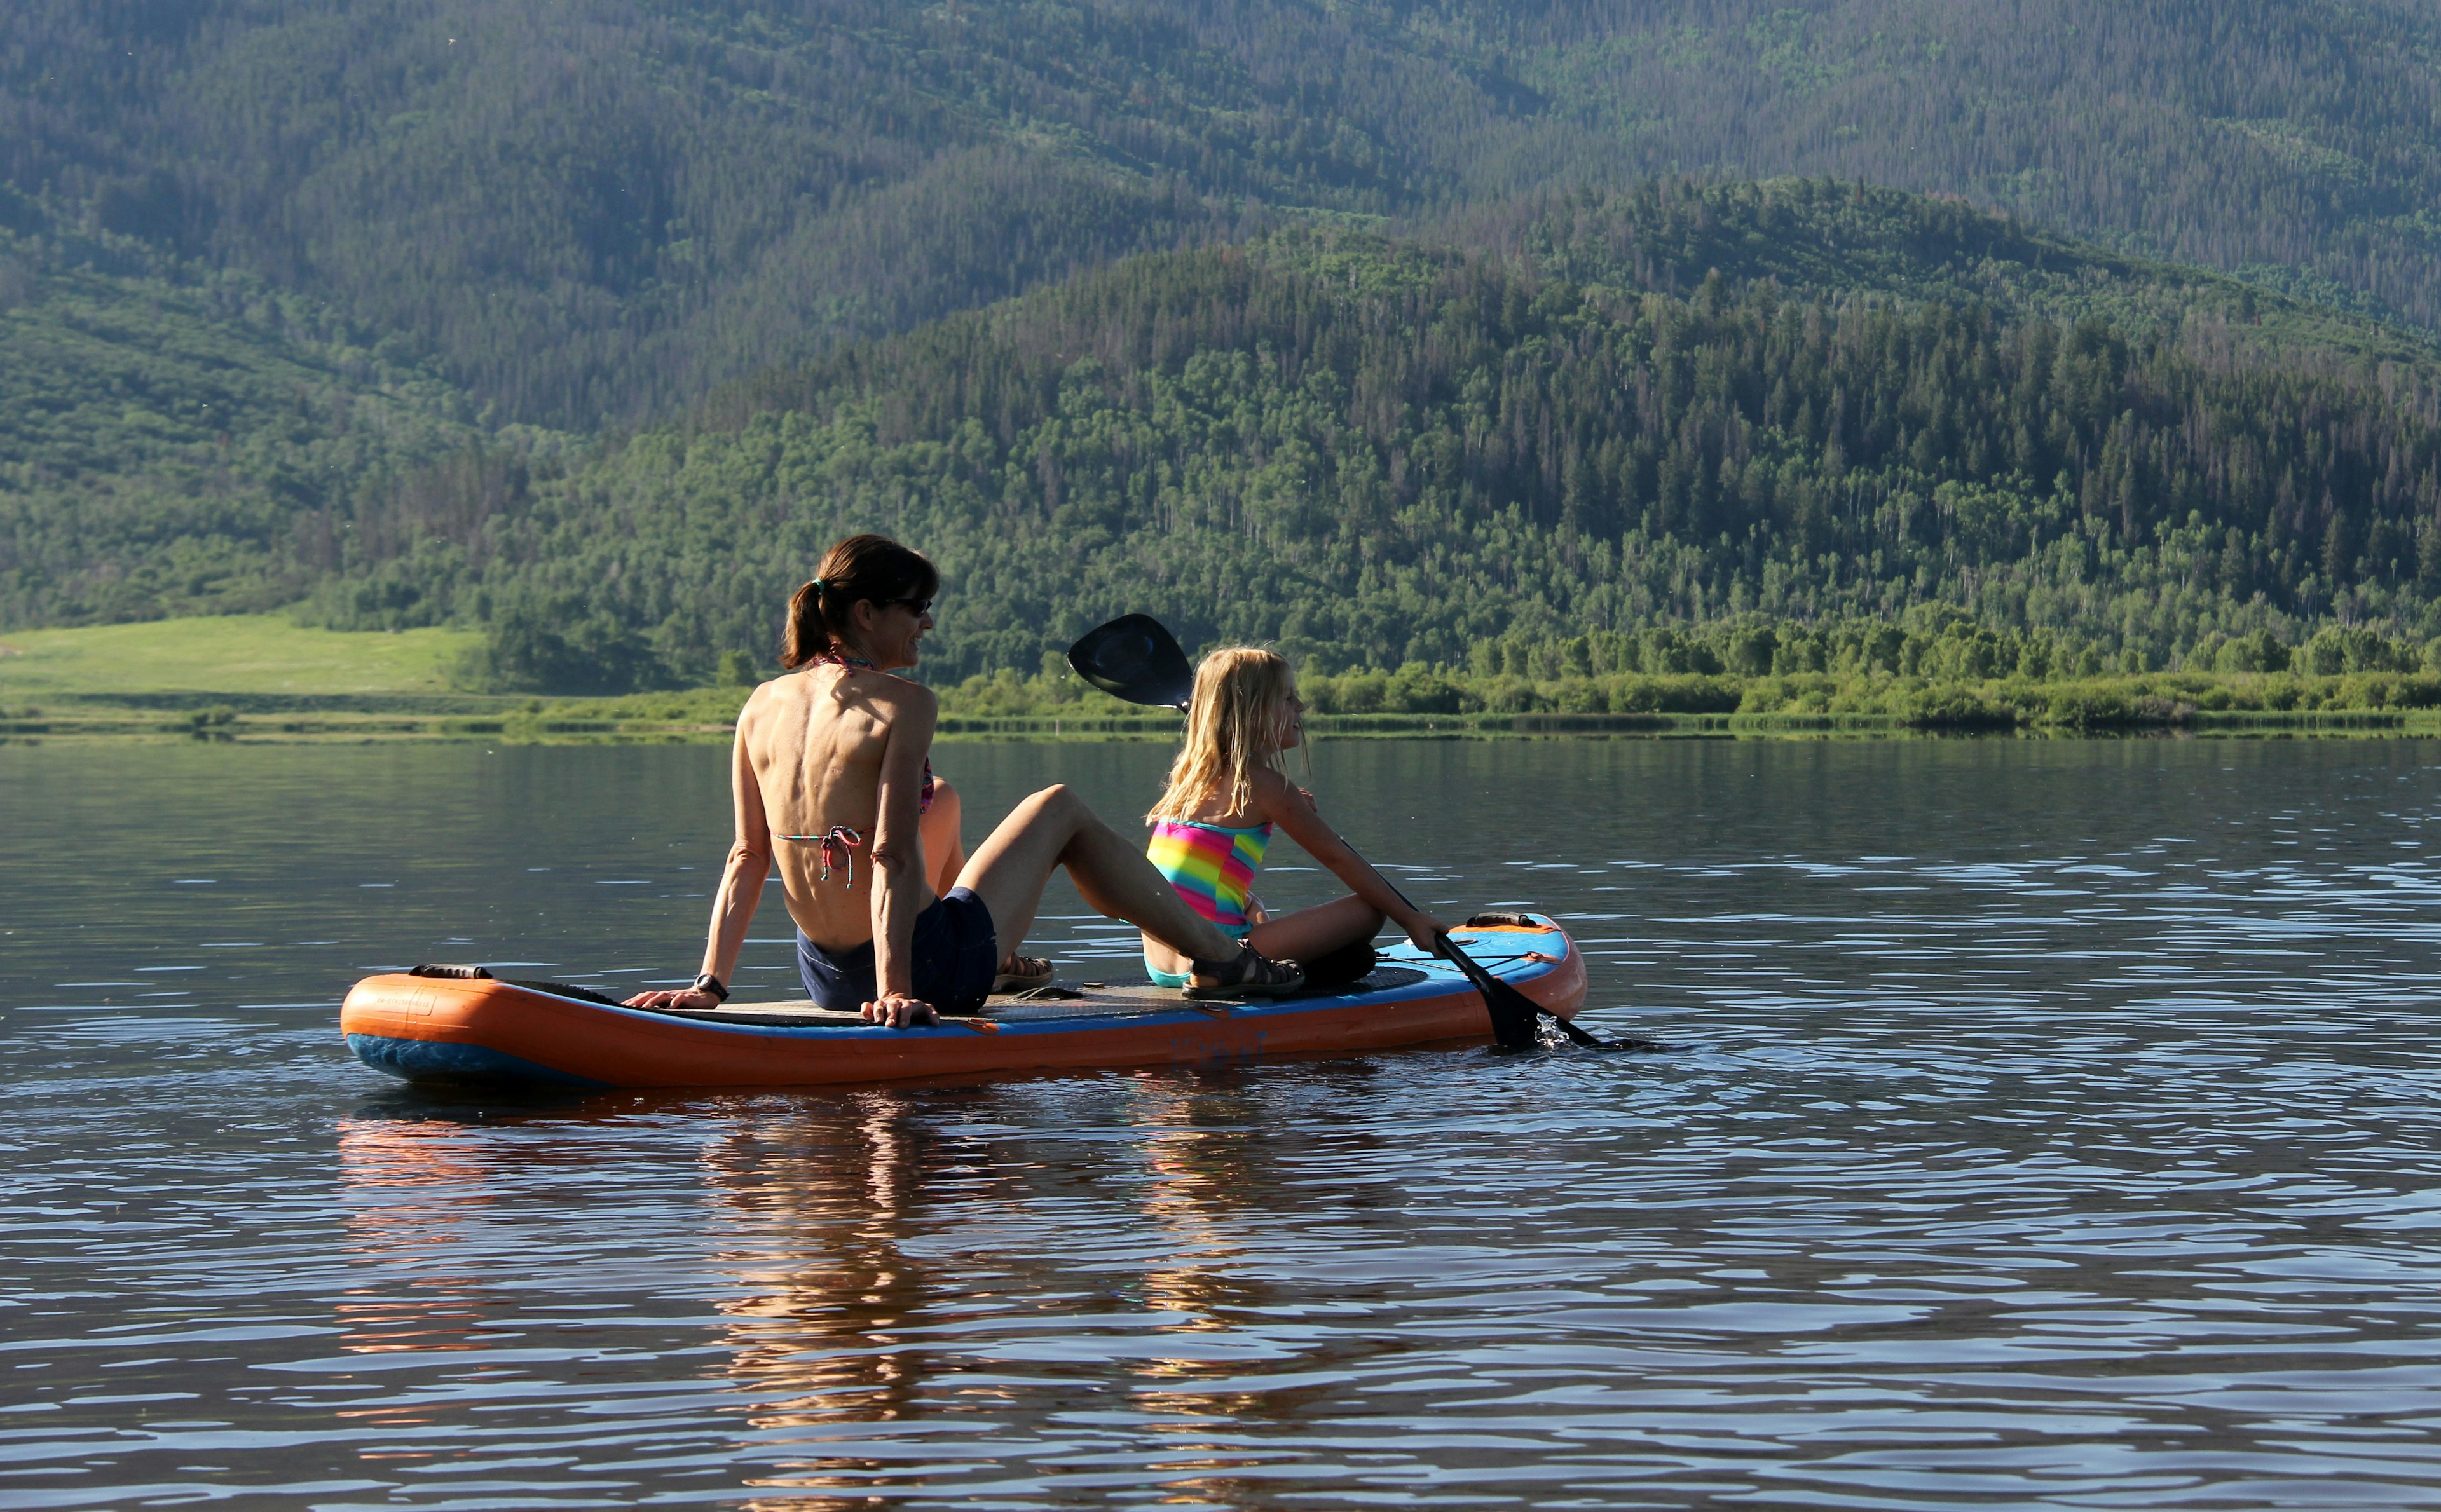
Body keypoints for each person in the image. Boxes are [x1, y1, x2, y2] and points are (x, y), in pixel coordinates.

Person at [624, 534, 1303, 1027]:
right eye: (916, 608)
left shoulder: (760, 704)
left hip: (827, 978)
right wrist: (896, 991)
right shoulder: (904, 704)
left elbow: (748, 855)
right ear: (865, 614)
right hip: (920, 970)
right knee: (1057, 806)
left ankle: (1000, 957)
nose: (927, 623)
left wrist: (710, 984)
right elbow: (888, 854)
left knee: (941, 797)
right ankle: (1223, 957)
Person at [1139, 647, 1447, 992]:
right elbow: (1338, 857)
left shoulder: (1190, 781)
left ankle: (1275, 970)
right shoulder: (1268, 786)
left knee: (1249, 900)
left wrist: (1286, 803)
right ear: (1252, 712)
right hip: (1217, 954)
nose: (1300, 707)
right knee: (1370, 910)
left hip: (1161, 963)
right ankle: (1248, 972)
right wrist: (1411, 920)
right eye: (1287, 698)